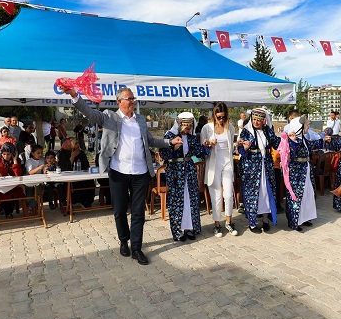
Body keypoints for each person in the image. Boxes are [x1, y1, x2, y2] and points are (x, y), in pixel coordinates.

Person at [62, 86, 179, 265]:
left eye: (133, 99)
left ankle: (137, 248)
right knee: (119, 210)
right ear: (120, 101)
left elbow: (151, 141)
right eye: (129, 99)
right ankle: (124, 240)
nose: (133, 102)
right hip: (118, 172)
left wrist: (169, 142)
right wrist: (74, 96)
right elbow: (90, 114)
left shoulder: (140, 119)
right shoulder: (110, 117)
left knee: (138, 212)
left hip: (140, 173)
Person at [159, 113, 205, 241]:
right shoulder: (170, 135)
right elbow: (163, 154)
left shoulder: (191, 137)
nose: (187, 129)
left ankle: (190, 228)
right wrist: (173, 147)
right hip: (175, 172)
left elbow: (198, 152)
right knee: (177, 201)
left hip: (189, 170)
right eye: (185, 126)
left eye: (190, 126)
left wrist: (205, 146)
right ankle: (178, 230)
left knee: (191, 198)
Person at [278, 117, 327, 231]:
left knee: (307, 194)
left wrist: (325, 139)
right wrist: (293, 141)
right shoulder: (290, 140)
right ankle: (295, 221)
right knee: (296, 196)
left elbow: (313, 145)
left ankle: (304, 218)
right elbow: (290, 154)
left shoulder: (303, 139)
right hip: (296, 172)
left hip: (306, 170)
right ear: (299, 127)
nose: (307, 127)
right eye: (305, 126)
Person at [237, 108, 280, 233]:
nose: (256, 122)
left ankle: (265, 220)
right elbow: (239, 151)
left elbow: (277, 143)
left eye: (259, 120)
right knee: (252, 195)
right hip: (251, 169)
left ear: (263, 121)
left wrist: (287, 138)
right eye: (254, 119)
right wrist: (243, 147)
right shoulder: (246, 131)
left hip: (266, 167)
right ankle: (252, 222)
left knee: (266, 193)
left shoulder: (267, 131)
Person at [200, 102, 238, 237]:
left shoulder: (230, 127)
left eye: (223, 117)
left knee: (228, 194)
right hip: (213, 164)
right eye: (218, 117)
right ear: (214, 116)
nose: (221, 120)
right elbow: (201, 150)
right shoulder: (207, 128)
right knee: (215, 195)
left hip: (227, 163)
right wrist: (208, 144)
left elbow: (231, 147)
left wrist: (236, 144)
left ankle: (229, 221)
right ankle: (217, 224)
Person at [0, 142, 24, 219]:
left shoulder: (17, 160)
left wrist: (14, 161)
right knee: (2, 194)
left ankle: (8, 212)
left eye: (8, 154)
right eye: (4, 154)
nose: (6, 156)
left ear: (13, 153)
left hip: (13, 185)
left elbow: (18, 174)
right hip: (1, 185)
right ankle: (6, 211)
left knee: (14, 193)